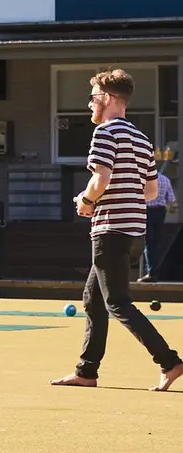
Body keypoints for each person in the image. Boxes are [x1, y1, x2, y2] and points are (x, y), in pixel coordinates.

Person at [53, 69, 183, 390]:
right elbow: (151, 193)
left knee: (117, 302)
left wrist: (85, 200)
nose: (89, 105)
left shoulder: (105, 134)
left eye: (94, 97)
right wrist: (120, 194)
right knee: (93, 299)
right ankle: (86, 372)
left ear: (109, 99)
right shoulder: (142, 138)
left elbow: (100, 180)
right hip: (134, 231)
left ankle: (170, 361)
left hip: (109, 229)